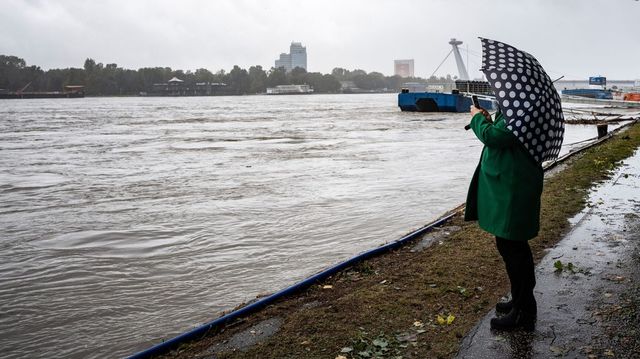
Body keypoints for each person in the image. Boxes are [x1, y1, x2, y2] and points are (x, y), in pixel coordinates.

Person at [464, 105, 543, 331]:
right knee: (511, 245)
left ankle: (524, 311)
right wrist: (490, 118)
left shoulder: (522, 110)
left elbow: (495, 136)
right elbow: (501, 131)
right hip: (511, 185)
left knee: (513, 247)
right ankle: (521, 301)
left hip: (513, 188)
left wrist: (478, 119)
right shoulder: (517, 109)